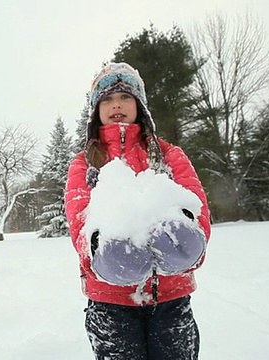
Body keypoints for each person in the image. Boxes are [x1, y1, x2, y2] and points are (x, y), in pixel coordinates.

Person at [64, 62, 211, 360]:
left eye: (125, 97)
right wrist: (100, 252)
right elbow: (79, 219)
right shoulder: (84, 164)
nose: (116, 104)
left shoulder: (170, 155)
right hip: (110, 303)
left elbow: (196, 205)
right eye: (107, 99)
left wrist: (187, 239)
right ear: (96, 110)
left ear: (139, 105)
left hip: (171, 298)